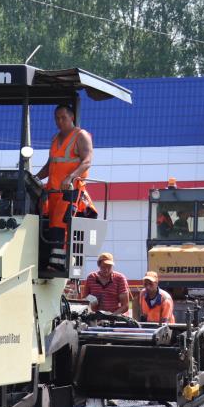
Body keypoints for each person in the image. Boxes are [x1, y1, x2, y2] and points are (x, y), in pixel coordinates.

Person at [36, 104, 95, 269]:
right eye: (57, 118)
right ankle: (48, 261)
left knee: (60, 225)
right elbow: (50, 166)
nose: (59, 121)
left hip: (71, 191)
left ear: (72, 117)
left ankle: (59, 264)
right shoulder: (55, 139)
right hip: (53, 192)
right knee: (49, 224)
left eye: (63, 117)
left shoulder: (81, 136)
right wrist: (33, 178)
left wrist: (70, 177)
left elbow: (87, 161)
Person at [82, 252, 132, 318]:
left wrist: (112, 316)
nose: (106, 270)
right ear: (99, 265)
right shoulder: (91, 278)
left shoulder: (119, 278)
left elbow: (125, 306)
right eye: (104, 267)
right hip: (96, 317)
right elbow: (84, 298)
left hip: (115, 317)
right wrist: (92, 300)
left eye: (109, 267)